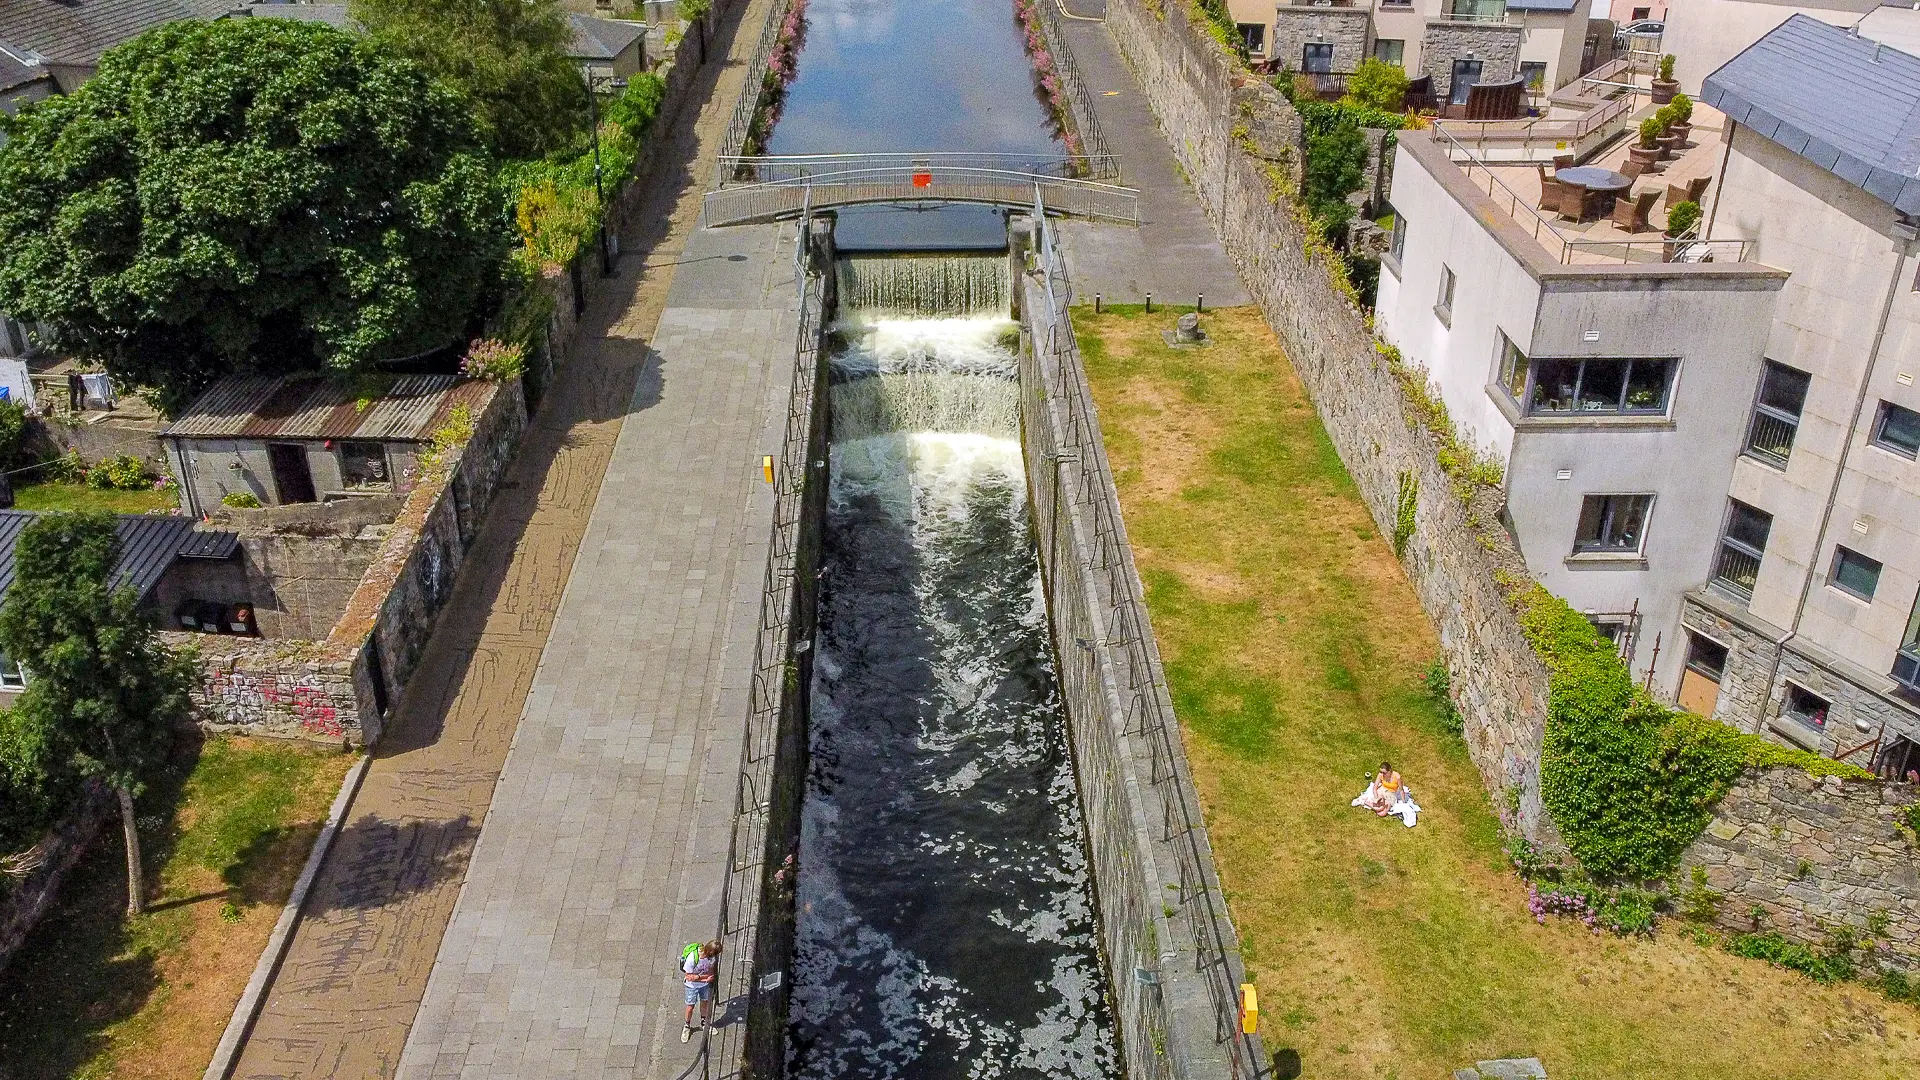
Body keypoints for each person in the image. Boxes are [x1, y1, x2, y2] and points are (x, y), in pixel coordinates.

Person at [681, 940, 722, 1042]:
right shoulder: (692, 958)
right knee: (690, 1006)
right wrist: (704, 978)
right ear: (711, 952)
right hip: (692, 986)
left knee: (705, 1002)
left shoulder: (711, 958)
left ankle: (704, 1023)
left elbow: (710, 968)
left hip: (704, 985)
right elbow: (688, 976)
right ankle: (687, 1026)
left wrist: (711, 975)